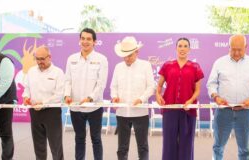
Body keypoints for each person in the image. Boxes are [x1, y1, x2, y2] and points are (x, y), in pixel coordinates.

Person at [206, 34, 249, 160]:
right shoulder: (219, 62)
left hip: (245, 112)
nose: (236, 53)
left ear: (246, 47)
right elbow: (211, 84)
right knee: (218, 146)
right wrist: (216, 97)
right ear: (229, 47)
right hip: (223, 111)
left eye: (240, 49)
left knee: (244, 149)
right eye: (233, 49)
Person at [156, 37, 204, 160]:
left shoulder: (195, 67)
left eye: (185, 46)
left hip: (188, 110)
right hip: (170, 110)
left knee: (186, 143)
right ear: (176, 48)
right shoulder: (167, 65)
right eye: (180, 46)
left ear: (189, 49)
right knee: (169, 142)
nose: (182, 49)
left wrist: (191, 100)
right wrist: (158, 94)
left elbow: (198, 90)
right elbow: (160, 85)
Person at [64, 28, 108, 160]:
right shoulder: (71, 59)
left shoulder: (102, 59)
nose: (85, 41)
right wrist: (67, 95)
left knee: (96, 139)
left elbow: (101, 84)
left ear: (94, 42)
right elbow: (68, 80)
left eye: (89, 39)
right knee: (79, 138)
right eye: (83, 38)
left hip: (94, 107)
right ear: (79, 40)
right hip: (75, 107)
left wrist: (90, 98)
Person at [110, 36, 155, 160]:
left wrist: (141, 99)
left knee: (142, 146)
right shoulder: (118, 67)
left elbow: (151, 87)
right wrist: (114, 97)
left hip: (140, 112)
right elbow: (113, 87)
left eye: (130, 55)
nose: (127, 58)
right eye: (124, 55)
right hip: (122, 113)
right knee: (122, 148)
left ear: (137, 52)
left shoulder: (145, 66)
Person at [22, 46, 64, 160]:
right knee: (38, 145)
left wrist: (43, 103)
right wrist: (26, 97)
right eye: (37, 59)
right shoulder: (31, 71)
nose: (39, 62)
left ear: (49, 57)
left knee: (56, 146)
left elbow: (59, 94)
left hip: (52, 112)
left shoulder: (58, 72)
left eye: (42, 59)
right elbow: (27, 88)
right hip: (35, 112)